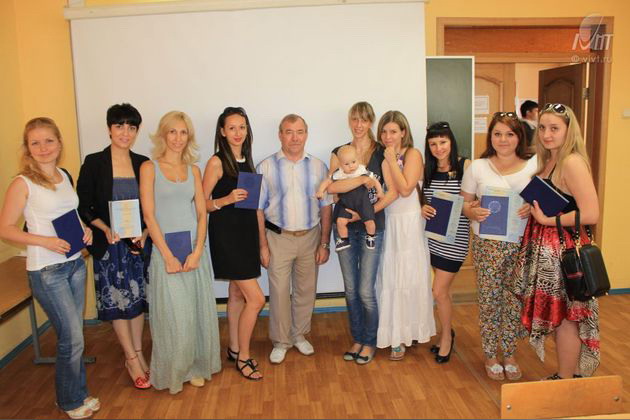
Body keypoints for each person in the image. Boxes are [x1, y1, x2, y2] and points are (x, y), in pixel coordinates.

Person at [0, 118, 98, 419]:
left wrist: (85, 231)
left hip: (74, 264)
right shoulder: (23, 183)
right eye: (35, 143)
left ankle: (78, 393)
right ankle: (69, 401)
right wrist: (44, 240)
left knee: (75, 335)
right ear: (27, 148)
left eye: (49, 141)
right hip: (47, 271)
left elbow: (69, 212)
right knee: (72, 337)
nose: (43, 148)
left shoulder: (63, 175)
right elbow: (5, 228)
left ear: (59, 143)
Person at [515, 103, 600, 379]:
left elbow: (591, 213)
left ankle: (565, 381)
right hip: (547, 248)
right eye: (542, 128)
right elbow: (561, 200)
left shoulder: (571, 162)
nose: (546, 134)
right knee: (559, 316)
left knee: (566, 318)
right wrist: (534, 208)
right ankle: (566, 376)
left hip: (564, 250)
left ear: (568, 130)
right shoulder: (549, 160)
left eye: (554, 128)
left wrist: (548, 220)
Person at [139, 111, 221, 393]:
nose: (177, 138)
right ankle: (175, 371)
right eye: (172, 132)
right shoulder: (149, 168)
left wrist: (198, 250)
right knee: (174, 316)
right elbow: (149, 216)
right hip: (166, 254)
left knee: (195, 312)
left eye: (183, 132)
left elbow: (201, 213)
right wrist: (167, 255)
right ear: (163, 135)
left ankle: (196, 367)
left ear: (189, 136)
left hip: (194, 251)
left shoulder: (194, 170)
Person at [76, 103, 150, 390]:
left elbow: (150, 207)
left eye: (131, 127)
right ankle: (130, 358)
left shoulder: (143, 162)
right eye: (119, 126)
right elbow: (83, 205)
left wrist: (145, 233)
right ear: (109, 129)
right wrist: (104, 228)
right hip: (109, 246)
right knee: (119, 302)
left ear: (137, 131)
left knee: (137, 300)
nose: (125, 132)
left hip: (136, 246)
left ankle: (139, 352)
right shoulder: (94, 162)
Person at [460, 111, 535, 381]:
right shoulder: (477, 167)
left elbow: (544, 200)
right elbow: (464, 203)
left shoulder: (533, 166)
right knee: (489, 300)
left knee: (514, 300)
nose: (503, 139)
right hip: (487, 245)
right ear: (490, 136)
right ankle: (491, 355)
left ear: (519, 137)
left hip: (520, 243)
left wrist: (532, 207)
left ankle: (510, 353)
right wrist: (471, 212)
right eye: (498, 133)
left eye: (510, 134)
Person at [256, 114, 332, 364]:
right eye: (289, 132)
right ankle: (281, 341)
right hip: (278, 237)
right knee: (278, 292)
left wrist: (324, 243)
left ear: (306, 134)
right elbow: (257, 209)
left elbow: (326, 206)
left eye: (299, 132)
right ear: (280, 135)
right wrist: (262, 245)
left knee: (305, 290)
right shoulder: (265, 167)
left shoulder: (319, 167)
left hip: (310, 236)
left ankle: (299, 335)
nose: (295, 138)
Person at [326, 102, 397, 365]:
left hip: (371, 227)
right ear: (349, 121)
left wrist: (367, 213)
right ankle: (357, 338)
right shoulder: (339, 152)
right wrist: (362, 180)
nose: (358, 125)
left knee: (366, 290)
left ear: (370, 122)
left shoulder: (381, 152)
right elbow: (333, 190)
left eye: (364, 120)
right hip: (344, 228)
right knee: (351, 289)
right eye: (354, 119)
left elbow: (391, 192)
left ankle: (369, 341)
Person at [203, 107, 265, 380]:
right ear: (222, 132)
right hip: (227, 238)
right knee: (257, 299)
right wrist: (226, 199)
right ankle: (244, 357)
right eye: (232, 128)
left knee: (237, 295)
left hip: (246, 234)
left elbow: (253, 206)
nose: (238, 133)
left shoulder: (247, 161)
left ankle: (234, 347)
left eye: (242, 127)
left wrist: (261, 242)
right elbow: (201, 203)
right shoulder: (216, 162)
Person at [375, 110, 435, 361]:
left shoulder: (413, 154)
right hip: (392, 221)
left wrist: (391, 161)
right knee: (392, 277)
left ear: (403, 132)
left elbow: (406, 188)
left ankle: (411, 331)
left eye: (393, 131)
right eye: (384, 131)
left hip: (411, 223)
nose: (388, 136)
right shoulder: (384, 159)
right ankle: (396, 335)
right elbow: (390, 192)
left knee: (411, 276)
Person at [421, 121, 471, 364]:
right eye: (433, 144)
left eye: (443, 142)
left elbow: (474, 200)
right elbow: (422, 199)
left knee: (438, 291)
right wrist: (423, 207)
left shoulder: (465, 166)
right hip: (432, 239)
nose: (438, 148)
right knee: (442, 293)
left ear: (451, 141)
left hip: (455, 240)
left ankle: (447, 338)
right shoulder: (428, 169)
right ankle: (446, 331)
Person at [316, 144, 384, 251]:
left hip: (362, 202)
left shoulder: (361, 170)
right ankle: (344, 239)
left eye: (353, 162)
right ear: (340, 165)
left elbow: (375, 181)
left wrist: (379, 191)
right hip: (346, 203)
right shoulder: (339, 173)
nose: (351, 166)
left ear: (358, 160)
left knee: (370, 221)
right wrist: (320, 191)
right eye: (346, 164)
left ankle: (371, 236)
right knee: (340, 221)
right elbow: (328, 182)